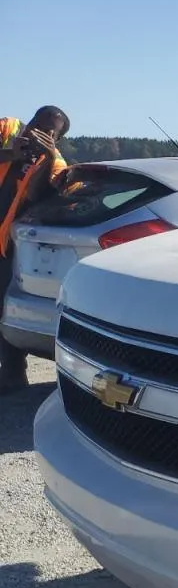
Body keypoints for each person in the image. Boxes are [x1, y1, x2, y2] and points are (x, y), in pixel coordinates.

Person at [0, 106, 71, 395]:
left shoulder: (55, 163)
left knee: (4, 307)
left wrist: (48, 156)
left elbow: (36, 194)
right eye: (35, 125)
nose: (36, 133)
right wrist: (10, 153)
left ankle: (13, 376)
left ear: (56, 139)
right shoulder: (6, 131)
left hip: (8, 247)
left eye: (48, 132)